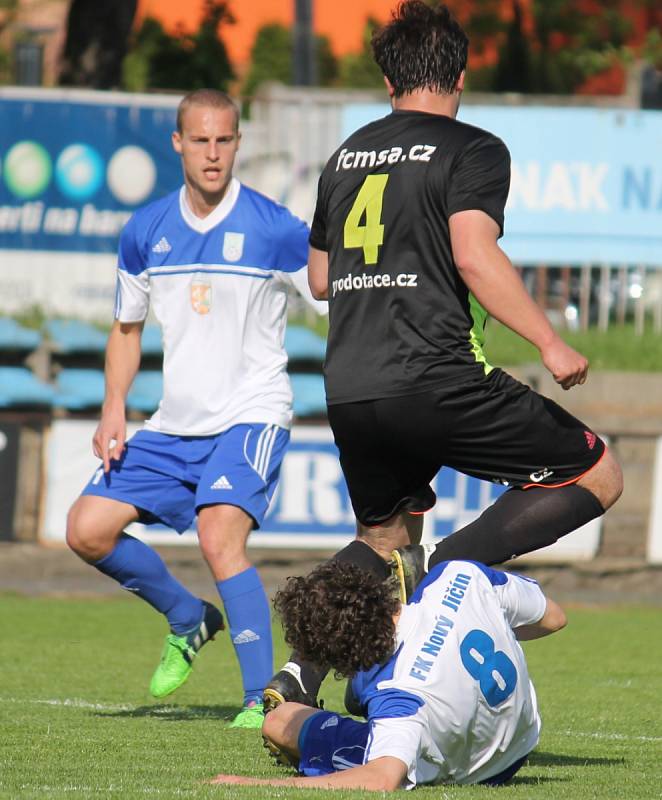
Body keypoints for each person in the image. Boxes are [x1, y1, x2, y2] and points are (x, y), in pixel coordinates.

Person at [264, 0, 622, 711]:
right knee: (598, 473)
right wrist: (548, 341)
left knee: (381, 540)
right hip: (434, 375)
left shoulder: (345, 157)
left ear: (388, 80)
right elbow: (472, 254)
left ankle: (299, 673)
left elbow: (321, 278)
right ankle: (450, 571)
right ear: (457, 75)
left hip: (352, 385)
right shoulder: (474, 149)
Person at [65, 88, 325, 729]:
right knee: (86, 529)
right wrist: (113, 407)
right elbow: (126, 330)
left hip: (252, 414)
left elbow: (333, 301)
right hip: (174, 424)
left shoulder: (276, 228)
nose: (213, 153)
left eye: (225, 140)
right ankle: (188, 618)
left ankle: (259, 701)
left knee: (218, 535)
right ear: (177, 144)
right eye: (200, 140)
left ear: (239, 144)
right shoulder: (146, 231)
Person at [213, 559, 566, 789]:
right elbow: (553, 618)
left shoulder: (399, 696)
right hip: (523, 735)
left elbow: (383, 778)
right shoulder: (458, 575)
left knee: (281, 720)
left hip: (486, 768)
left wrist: (256, 784)